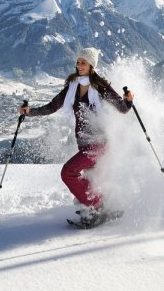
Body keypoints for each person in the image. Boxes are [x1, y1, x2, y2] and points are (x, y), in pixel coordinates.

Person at [20, 48, 134, 224]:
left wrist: (128, 100)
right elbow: (52, 106)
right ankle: (100, 205)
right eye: (78, 62)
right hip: (83, 144)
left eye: (83, 62)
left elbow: (122, 108)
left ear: (92, 65)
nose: (79, 65)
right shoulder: (72, 87)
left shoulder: (101, 86)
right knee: (89, 179)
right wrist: (30, 112)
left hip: (99, 144)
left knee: (68, 172)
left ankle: (97, 206)